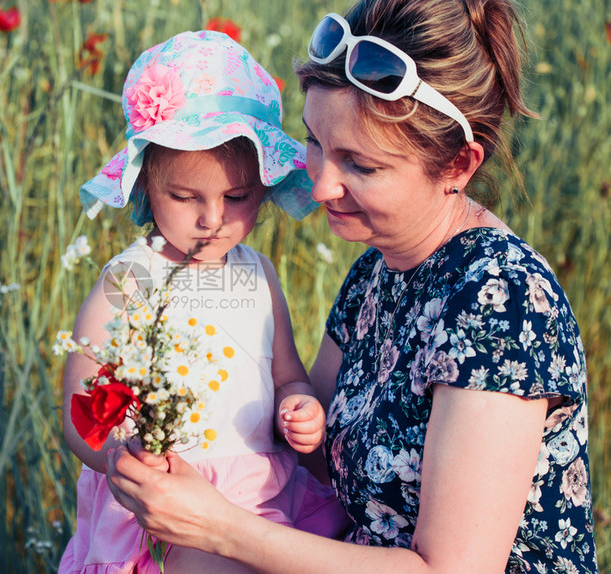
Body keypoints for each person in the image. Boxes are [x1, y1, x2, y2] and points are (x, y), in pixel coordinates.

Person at [105, 1, 599, 573]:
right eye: (316, 142)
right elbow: (311, 457)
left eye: (360, 166)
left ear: (459, 166)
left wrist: (216, 525)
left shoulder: (501, 303)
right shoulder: (378, 270)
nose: (320, 187)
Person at [60, 31, 349, 574]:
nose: (212, 219)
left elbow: (286, 374)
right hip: (165, 496)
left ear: (263, 189)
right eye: (186, 197)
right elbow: (82, 404)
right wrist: (121, 458)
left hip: (260, 495)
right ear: (146, 185)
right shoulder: (132, 279)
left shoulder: (258, 275)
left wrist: (300, 406)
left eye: (235, 198)